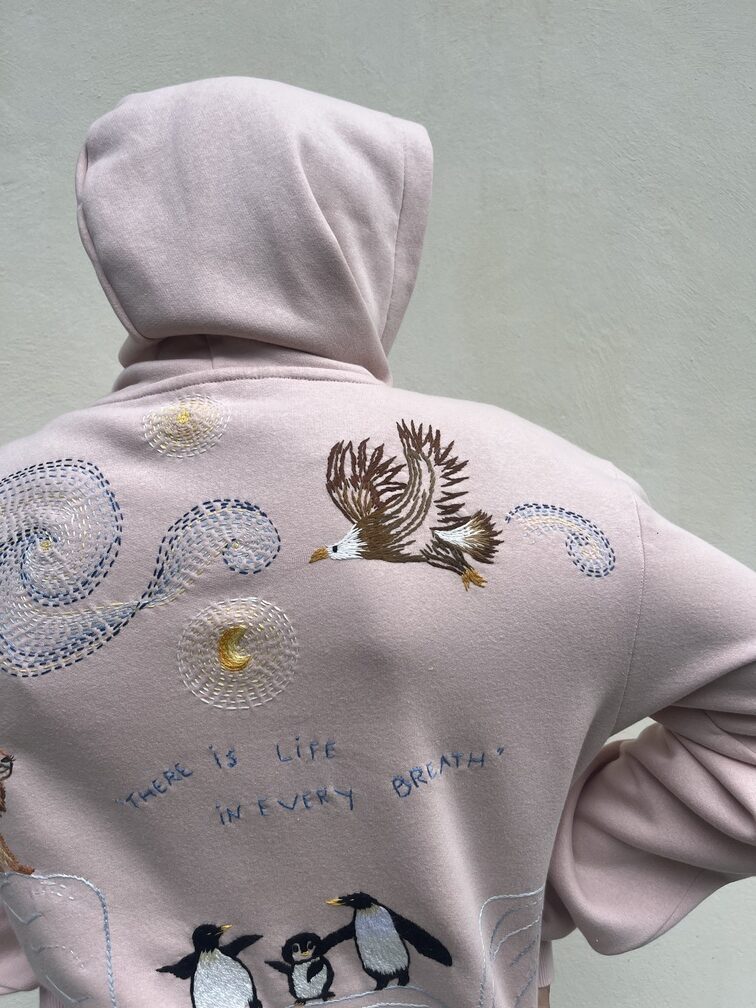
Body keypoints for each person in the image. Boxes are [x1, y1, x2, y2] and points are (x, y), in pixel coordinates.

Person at [0, 76, 753, 1008]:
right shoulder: (557, 490)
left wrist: (48, 922)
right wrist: (541, 882)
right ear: (365, 233)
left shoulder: (22, 510)